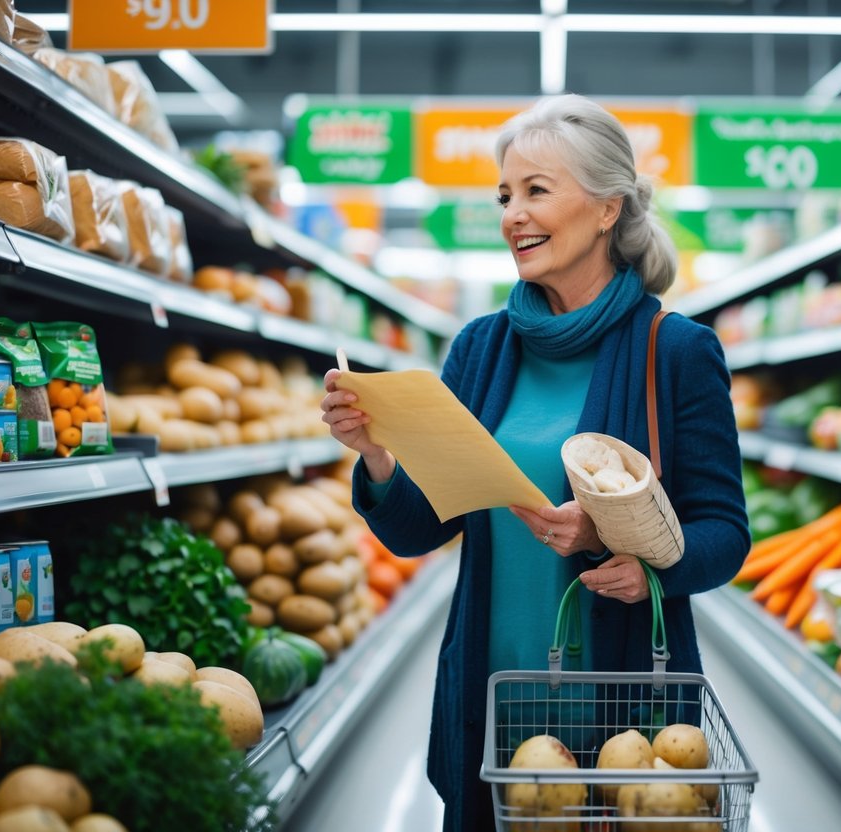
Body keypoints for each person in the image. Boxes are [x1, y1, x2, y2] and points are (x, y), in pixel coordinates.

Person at [320, 93, 749, 832]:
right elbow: (420, 528)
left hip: (619, 701)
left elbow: (724, 533)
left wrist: (642, 561)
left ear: (608, 208)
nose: (513, 213)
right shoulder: (479, 349)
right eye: (504, 195)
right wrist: (377, 457)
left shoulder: (674, 350)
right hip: (492, 678)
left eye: (536, 191)